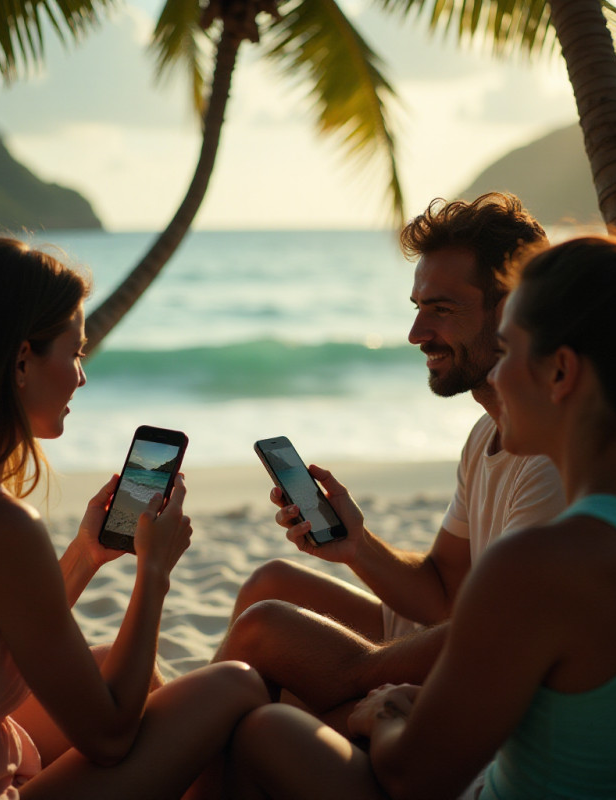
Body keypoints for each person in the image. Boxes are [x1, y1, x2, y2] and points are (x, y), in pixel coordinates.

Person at [227, 219, 616, 800]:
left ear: (561, 371)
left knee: (267, 727)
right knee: (274, 637)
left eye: (510, 349)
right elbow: (449, 589)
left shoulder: (544, 559)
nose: (499, 374)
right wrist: (357, 546)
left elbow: (413, 774)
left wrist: (383, 710)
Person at [0, 238, 268, 800]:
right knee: (233, 686)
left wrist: (85, 554)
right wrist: (154, 572)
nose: (81, 377)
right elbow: (108, 737)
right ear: (20, 360)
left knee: (108, 661)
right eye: (75, 352)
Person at [214, 193, 566, 718]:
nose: (416, 334)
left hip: (487, 673)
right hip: (462, 631)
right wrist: (357, 545)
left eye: (442, 309)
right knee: (272, 584)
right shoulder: (484, 437)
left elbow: (498, 639)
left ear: (512, 309)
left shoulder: (548, 459)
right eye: (418, 308)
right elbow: (446, 590)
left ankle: (171, 744)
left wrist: (354, 670)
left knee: (270, 651)